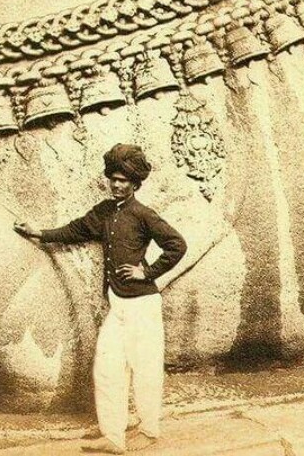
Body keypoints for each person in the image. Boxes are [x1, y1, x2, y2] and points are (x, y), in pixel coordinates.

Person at [15, 143, 187, 454]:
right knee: (107, 366)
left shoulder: (143, 215)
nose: (118, 184)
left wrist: (146, 272)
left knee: (145, 367)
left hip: (142, 305)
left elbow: (177, 245)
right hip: (118, 305)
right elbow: (76, 230)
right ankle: (113, 434)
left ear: (134, 184)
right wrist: (39, 233)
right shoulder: (105, 212)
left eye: (124, 180)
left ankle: (148, 430)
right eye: (114, 179)